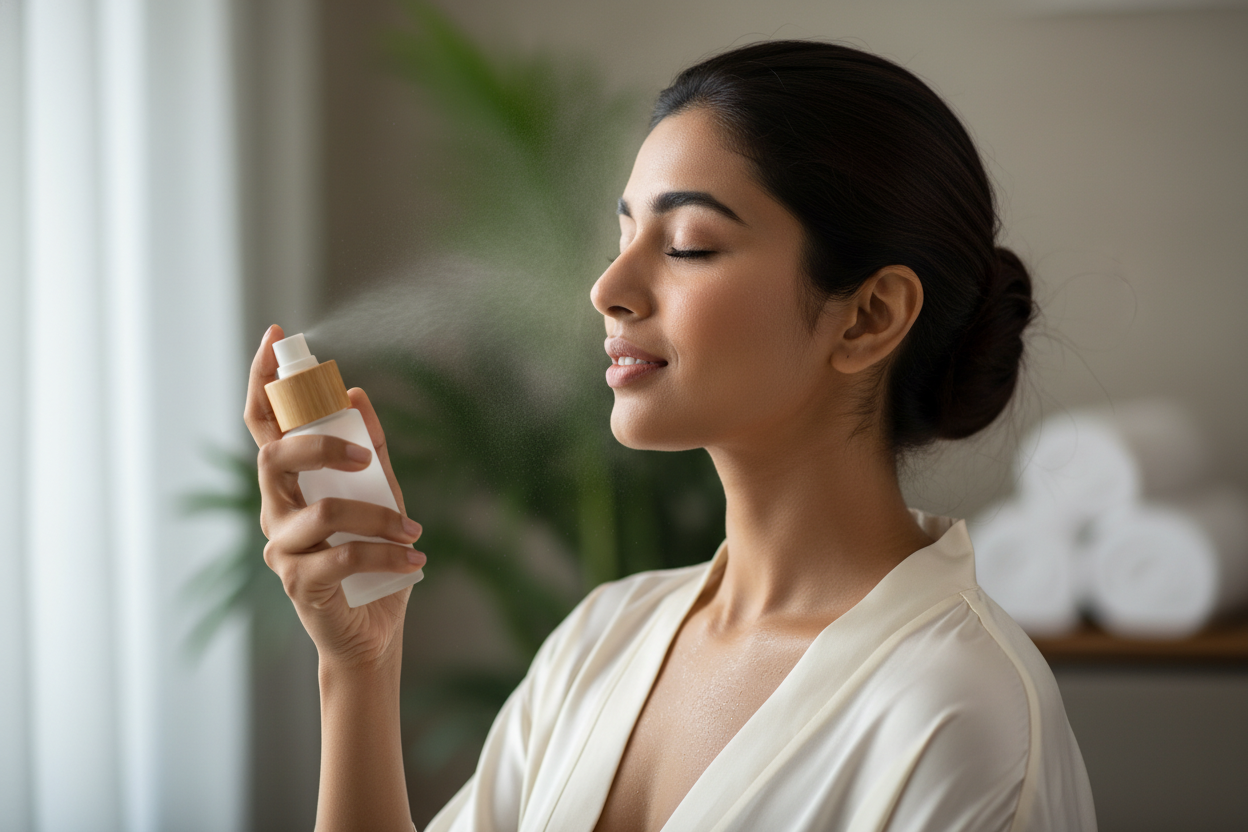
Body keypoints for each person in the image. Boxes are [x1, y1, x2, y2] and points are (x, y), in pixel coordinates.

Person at [245, 40, 1096, 832]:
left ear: (870, 317)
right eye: (626, 233)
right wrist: (358, 668)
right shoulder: (600, 639)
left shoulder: (957, 716)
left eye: (688, 244)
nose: (609, 286)